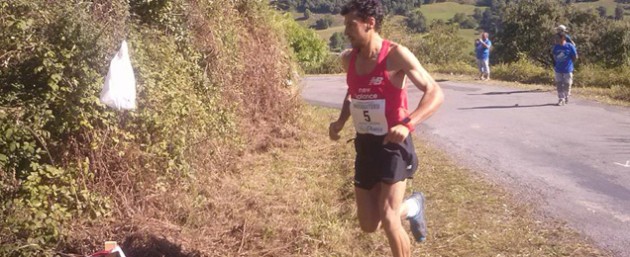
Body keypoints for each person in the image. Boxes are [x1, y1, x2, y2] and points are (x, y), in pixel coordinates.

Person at [328, 1, 444, 256]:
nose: (346, 30)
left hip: (393, 142)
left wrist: (409, 123)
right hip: (366, 145)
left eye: (351, 24)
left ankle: (404, 213)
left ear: (370, 23)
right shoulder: (348, 59)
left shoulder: (395, 55)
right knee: (370, 224)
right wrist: (340, 122)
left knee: (390, 219)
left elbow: (435, 92)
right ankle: (413, 207)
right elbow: (353, 94)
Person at [552, 33, 578, 106]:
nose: (557, 40)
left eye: (558, 38)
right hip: (558, 69)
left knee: (567, 84)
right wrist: (556, 62)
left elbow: (575, 56)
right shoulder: (556, 47)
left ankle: (566, 96)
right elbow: (554, 55)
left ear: (563, 38)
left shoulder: (569, 46)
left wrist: (570, 63)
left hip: (568, 69)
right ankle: (561, 99)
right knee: (559, 84)